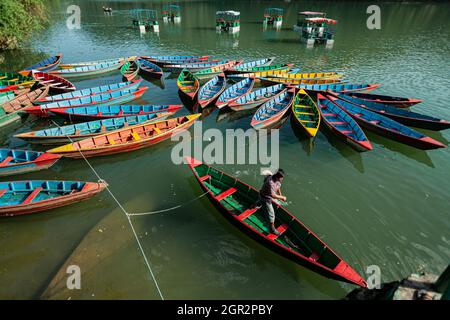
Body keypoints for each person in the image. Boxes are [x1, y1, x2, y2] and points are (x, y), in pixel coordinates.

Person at [256, 169, 286, 236]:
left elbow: (278, 187)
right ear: (278, 177)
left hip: (263, 194)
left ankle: (254, 205)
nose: (282, 179)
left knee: (258, 202)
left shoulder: (277, 180)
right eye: (282, 177)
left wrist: (280, 194)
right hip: (265, 198)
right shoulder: (271, 182)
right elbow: (273, 195)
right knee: (272, 214)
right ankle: (272, 229)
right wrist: (282, 197)